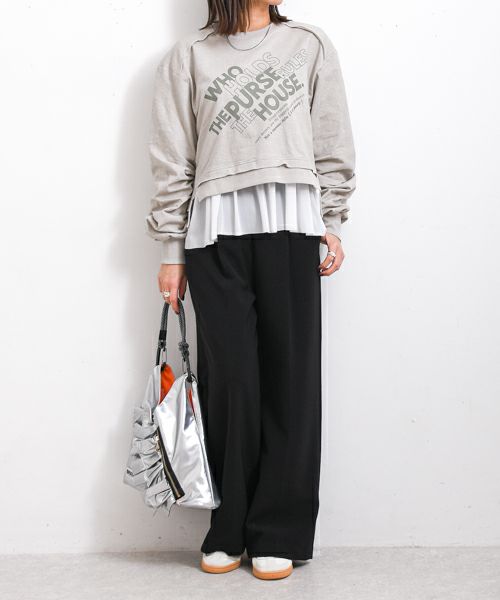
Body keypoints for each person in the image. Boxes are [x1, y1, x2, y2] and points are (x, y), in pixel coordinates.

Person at [145, 0, 356, 581]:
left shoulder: (308, 44)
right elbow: (172, 157)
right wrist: (171, 250)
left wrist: (332, 220)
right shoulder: (189, 56)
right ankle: (230, 524)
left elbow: (332, 136)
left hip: (292, 224)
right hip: (214, 233)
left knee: (290, 378)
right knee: (230, 381)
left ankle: (279, 530)